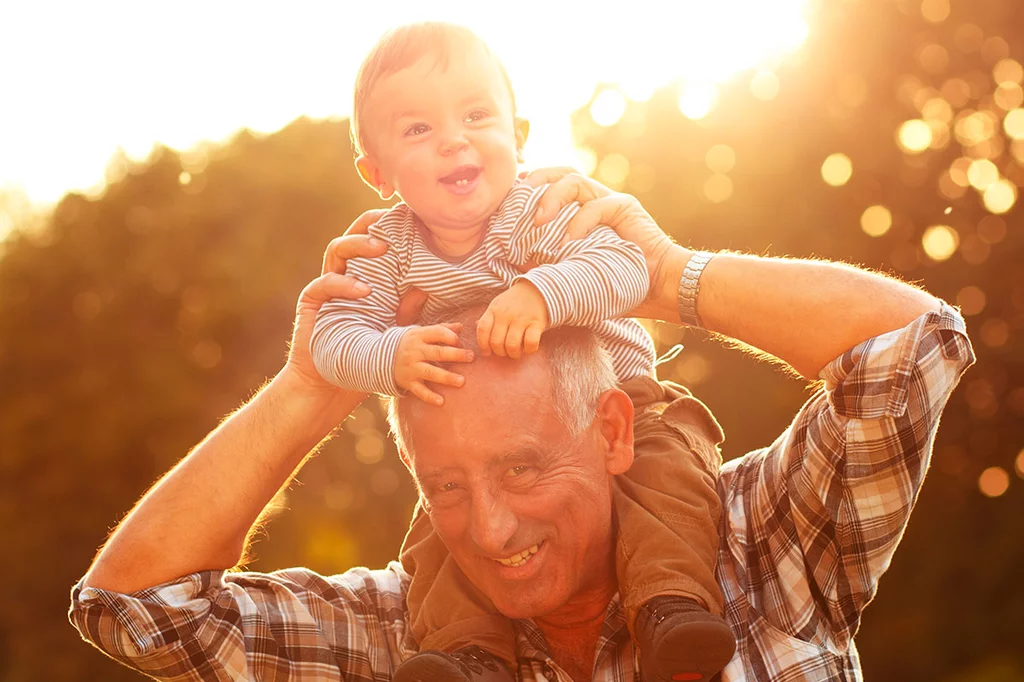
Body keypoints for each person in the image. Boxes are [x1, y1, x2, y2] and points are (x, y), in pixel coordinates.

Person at [69, 169, 975, 682]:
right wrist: (313, 382)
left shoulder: (759, 545)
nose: (491, 531)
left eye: (523, 469)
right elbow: (137, 608)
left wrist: (666, 278)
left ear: (616, 430)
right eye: (447, 488)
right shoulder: (407, 637)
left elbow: (913, 347)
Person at [309, 22, 734, 682]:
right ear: (378, 172)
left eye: (476, 114)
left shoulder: (544, 207)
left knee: (670, 477)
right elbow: (332, 339)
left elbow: (625, 267)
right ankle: (468, 654)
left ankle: (670, 607)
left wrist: (542, 294)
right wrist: (388, 351)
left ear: (519, 135)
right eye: (417, 129)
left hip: (621, 397)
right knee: (444, 535)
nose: (454, 138)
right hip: (479, 439)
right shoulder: (384, 250)